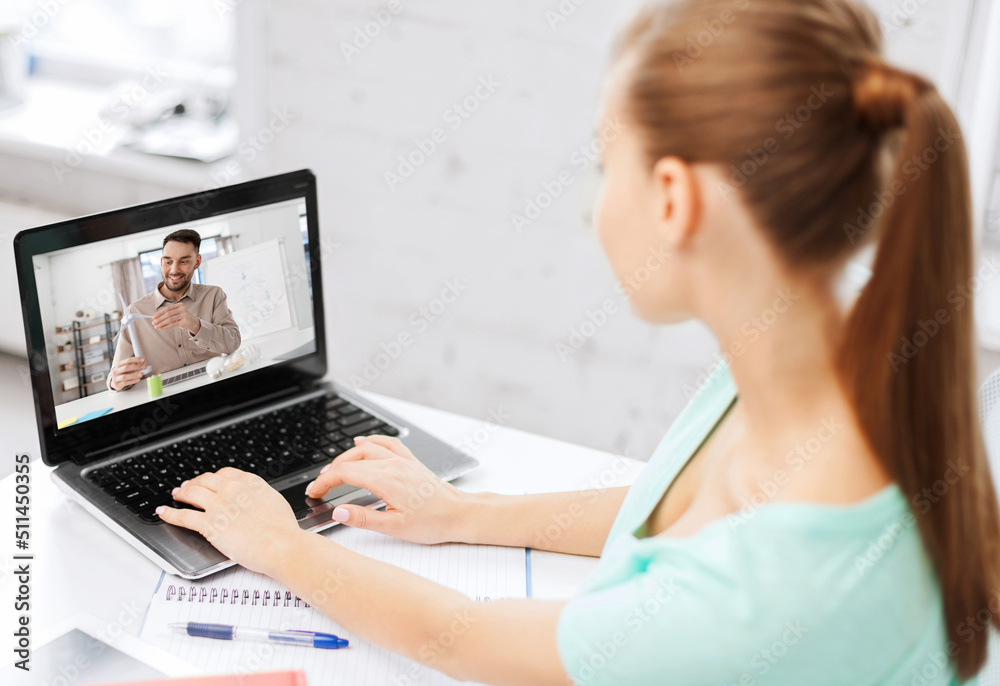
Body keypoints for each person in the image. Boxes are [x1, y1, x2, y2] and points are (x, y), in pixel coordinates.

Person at [157, 0, 1000, 683]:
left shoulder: (761, 600)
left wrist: (275, 545)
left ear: (673, 198)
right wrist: (464, 514)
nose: (592, 207)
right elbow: (667, 511)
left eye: (607, 166)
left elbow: (461, 639)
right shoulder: (836, 348)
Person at [108, 229, 241, 391]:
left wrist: (196, 325)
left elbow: (232, 344)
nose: (174, 270)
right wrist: (116, 382)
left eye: (183, 261)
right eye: (168, 261)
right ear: (161, 261)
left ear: (197, 262)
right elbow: (115, 375)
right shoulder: (135, 311)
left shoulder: (213, 295)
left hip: (214, 386)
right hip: (164, 397)